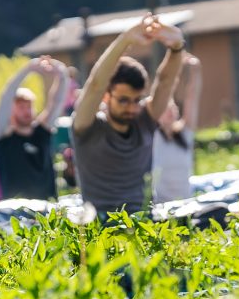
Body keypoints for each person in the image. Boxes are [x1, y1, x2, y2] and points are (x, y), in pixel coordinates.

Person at [71, 15, 185, 215]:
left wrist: (176, 48)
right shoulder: (86, 127)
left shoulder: (144, 121)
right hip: (103, 223)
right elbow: (95, 85)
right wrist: (125, 40)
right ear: (107, 96)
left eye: (136, 100)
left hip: (144, 220)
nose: (131, 108)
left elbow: (165, 82)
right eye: (123, 100)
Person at [0, 56, 69, 201]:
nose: (27, 111)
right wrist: (28, 69)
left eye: (29, 107)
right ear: (11, 111)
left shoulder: (42, 132)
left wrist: (60, 71)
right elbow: (6, 97)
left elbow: (56, 101)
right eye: (21, 107)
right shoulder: (3, 136)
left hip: (48, 211)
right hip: (15, 215)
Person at [152, 53, 202, 202]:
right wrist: (172, 67)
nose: (172, 110)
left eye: (173, 107)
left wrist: (195, 70)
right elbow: (161, 90)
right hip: (160, 206)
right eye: (167, 108)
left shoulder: (184, 133)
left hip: (186, 203)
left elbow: (192, 96)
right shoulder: (153, 136)